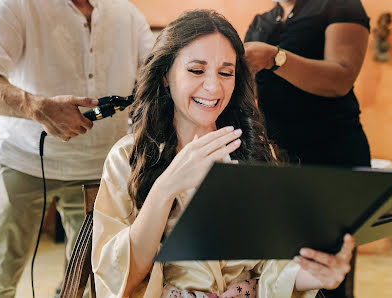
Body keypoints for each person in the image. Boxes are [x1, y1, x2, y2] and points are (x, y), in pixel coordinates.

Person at [92, 9, 354, 298]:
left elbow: (274, 265)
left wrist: (313, 274)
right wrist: (166, 188)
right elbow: (119, 279)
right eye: (196, 70)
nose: (213, 86)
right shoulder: (128, 157)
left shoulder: (254, 152)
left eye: (226, 72)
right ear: (165, 75)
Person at [0, 0, 154, 297]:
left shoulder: (127, 13)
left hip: (99, 171)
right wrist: (34, 106)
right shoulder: (15, 4)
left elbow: (156, 70)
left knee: (92, 284)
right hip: (22, 161)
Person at [244, 0, 371, 168]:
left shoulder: (340, 4)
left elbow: (341, 80)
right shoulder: (260, 22)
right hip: (277, 156)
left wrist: (274, 58)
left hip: (334, 152)